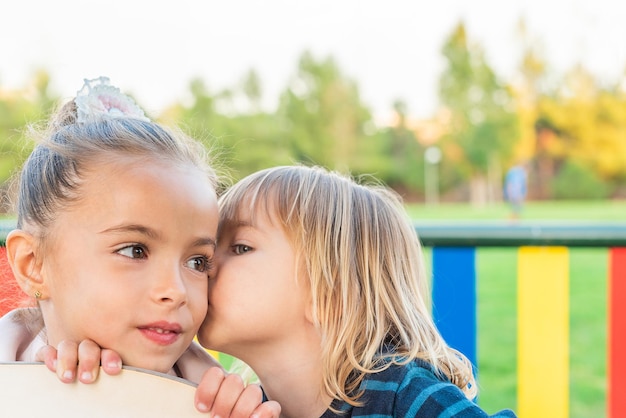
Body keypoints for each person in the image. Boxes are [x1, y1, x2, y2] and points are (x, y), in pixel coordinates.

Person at [0, 77, 279, 417]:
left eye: (196, 262)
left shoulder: (216, 397)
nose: (176, 292)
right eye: (135, 250)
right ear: (34, 264)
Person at [194, 165, 517, 417]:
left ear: (328, 293)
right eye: (206, 249)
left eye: (239, 247)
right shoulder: (250, 407)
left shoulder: (403, 396)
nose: (206, 262)